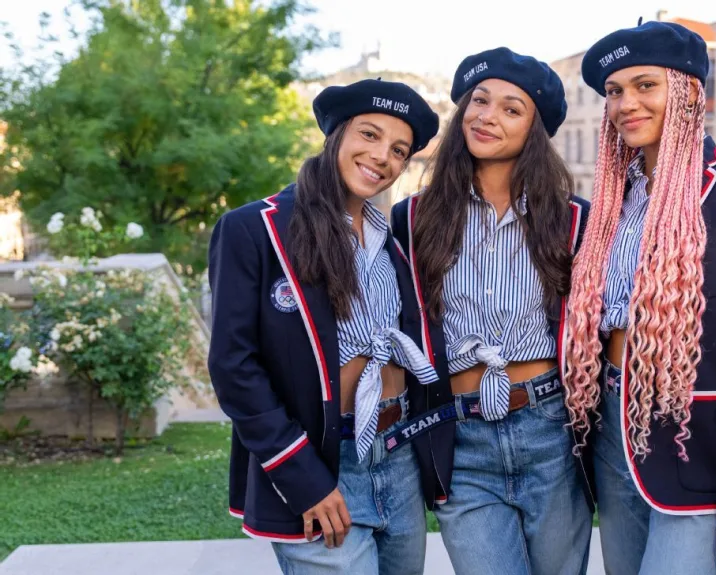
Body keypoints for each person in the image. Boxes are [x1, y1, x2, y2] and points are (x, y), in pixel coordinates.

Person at [562, 20, 716, 575]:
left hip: (698, 447)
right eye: (615, 92)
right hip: (613, 438)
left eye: (646, 86)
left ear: (689, 91)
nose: (626, 104)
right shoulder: (614, 203)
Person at [207, 78, 440, 574]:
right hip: (322, 464)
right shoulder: (254, 229)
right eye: (369, 135)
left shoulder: (392, 240)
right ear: (336, 135)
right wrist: (302, 477)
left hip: (397, 460)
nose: (382, 156)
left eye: (398, 150)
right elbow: (233, 367)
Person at [390, 47, 593, 575]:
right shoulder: (412, 219)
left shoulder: (574, 221)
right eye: (479, 101)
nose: (487, 116)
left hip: (549, 428)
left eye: (511, 108)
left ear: (535, 130)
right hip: (461, 436)